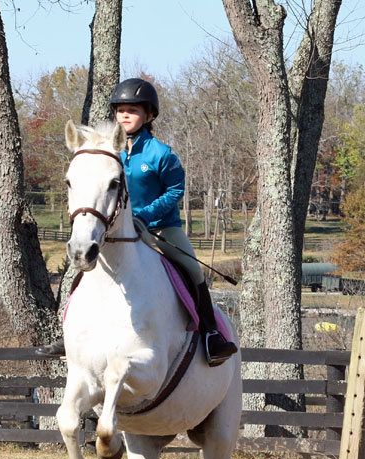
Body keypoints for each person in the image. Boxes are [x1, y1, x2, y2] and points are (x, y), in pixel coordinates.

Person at [38, 78, 238, 366]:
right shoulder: (107, 151)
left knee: (192, 270)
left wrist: (144, 216)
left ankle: (212, 335)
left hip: (160, 228)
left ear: (150, 115)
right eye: (120, 110)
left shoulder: (161, 154)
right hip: (116, 230)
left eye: (132, 110)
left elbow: (175, 191)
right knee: (82, 270)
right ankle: (67, 334)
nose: (125, 115)